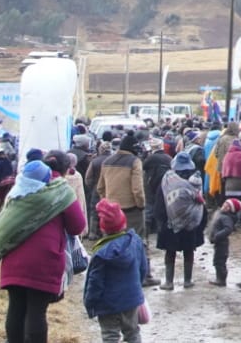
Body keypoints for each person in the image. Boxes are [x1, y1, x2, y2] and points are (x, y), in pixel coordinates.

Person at [0, 159, 87, 343]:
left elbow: (2, 227)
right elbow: (77, 226)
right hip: (44, 262)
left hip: (13, 262)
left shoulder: (14, 196)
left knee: (16, 308)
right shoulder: (59, 194)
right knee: (36, 311)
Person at [98, 133, 158, 287]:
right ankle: (145, 276)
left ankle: (113, 276)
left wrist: (107, 202)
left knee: (111, 243)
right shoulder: (135, 161)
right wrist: (141, 205)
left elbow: (100, 188)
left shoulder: (107, 161)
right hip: (132, 210)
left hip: (111, 211)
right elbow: (137, 189)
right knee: (139, 242)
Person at [84, 199, 146, 343]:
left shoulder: (101, 254)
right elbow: (143, 269)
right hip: (131, 300)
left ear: (103, 228)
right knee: (133, 333)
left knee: (110, 336)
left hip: (108, 304)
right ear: (123, 223)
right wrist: (137, 289)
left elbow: (95, 282)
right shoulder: (135, 241)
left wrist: (90, 302)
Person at [157, 151, 206, 290]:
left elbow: (160, 203)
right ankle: (187, 280)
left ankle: (169, 282)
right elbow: (201, 204)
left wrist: (160, 222)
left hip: (170, 224)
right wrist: (201, 225)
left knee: (170, 252)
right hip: (190, 224)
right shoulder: (195, 181)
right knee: (188, 251)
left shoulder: (167, 181)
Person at [205, 198, 241, 287]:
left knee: (220, 261)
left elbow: (228, 229)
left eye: (228, 206)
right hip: (218, 242)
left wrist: (217, 236)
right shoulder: (221, 214)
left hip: (222, 243)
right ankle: (219, 278)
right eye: (225, 203)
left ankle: (221, 280)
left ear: (231, 210)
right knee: (217, 261)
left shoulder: (226, 218)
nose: (225, 206)